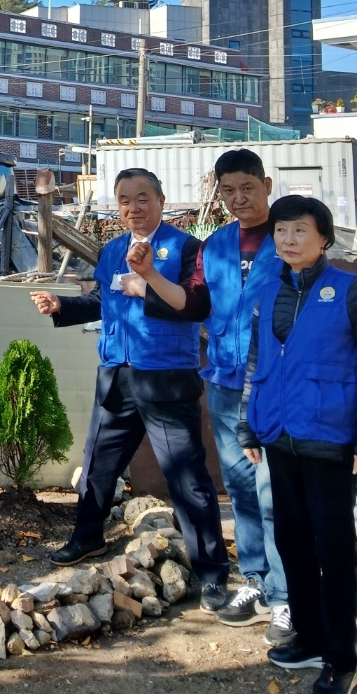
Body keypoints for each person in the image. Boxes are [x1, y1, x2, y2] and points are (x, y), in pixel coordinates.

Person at [29, 168, 230, 613]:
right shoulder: (114, 249)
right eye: (124, 200)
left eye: (142, 198)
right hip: (116, 375)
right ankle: (87, 538)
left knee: (187, 478)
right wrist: (63, 306)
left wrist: (147, 285)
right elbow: (105, 301)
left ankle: (213, 573)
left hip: (166, 378)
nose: (133, 207)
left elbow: (196, 305)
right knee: (98, 464)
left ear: (160, 200)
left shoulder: (185, 248)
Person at [128, 148, 291, 644]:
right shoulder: (214, 246)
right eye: (228, 191)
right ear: (218, 193)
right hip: (222, 381)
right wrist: (153, 276)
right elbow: (194, 304)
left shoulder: (289, 236)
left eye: (247, 188)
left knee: (274, 492)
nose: (239, 198)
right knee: (240, 489)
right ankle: (258, 584)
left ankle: (287, 597)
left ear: (266, 184)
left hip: (275, 385)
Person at [237, 196, 357, 694]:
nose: (288, 240)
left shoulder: (349, 291)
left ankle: (340, 656)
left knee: (335, 549)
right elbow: (254, 364)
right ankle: (307, 637)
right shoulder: (269, 292)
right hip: (279, 440)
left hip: (330, 439)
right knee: (292, 542)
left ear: (323, 237)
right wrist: (247, 425)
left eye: (300, 231)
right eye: (281, 232)